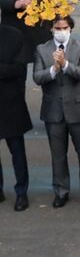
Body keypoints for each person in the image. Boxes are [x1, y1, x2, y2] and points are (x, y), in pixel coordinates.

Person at [33, 15, 80, 208]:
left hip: (78, 108)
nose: (61, 31)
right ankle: (61, 191)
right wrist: (53, 69)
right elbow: (37, 76)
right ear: (51, 29)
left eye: (64, 27)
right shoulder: (42, 49)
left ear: (70, 28)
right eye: (57, 28)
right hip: (54, 111)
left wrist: (66, 65)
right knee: (57, 154)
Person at [0, 25, 31, 210]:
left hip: (11, 103)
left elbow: (19, 69)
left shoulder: (14, 35)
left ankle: (22, 192)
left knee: (17, 151)